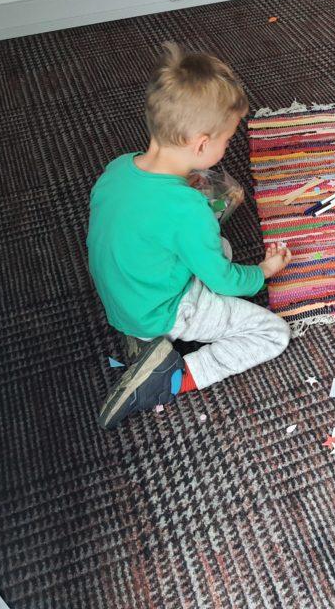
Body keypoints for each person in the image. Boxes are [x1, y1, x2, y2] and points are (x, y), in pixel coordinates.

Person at [88, 43, 291, 429]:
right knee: (272, 333)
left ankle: (145, 340)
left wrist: (186, 187)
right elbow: (228, 283)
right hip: (165, 309)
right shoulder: (188, 210)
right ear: (200, 144)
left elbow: (138, 223)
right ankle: (171, 378)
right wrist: (264, 270)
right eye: (227, 138)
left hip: (124, 298)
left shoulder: (117, 168)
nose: (227, 144)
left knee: (219, 246)